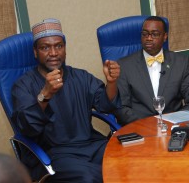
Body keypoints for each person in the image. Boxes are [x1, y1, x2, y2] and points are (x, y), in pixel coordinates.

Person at [11, 18, 121, 182]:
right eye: (45, 47)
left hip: (91, 144)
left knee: (128, 161)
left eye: (58, 46)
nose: (53, 53)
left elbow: (106, 105)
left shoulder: (81, 76)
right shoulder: (23, 85)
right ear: (35, 52)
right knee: (91, 177)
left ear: (65, 49)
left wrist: (111, 83)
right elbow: (26, 128)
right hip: (55, 152)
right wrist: (45, 95)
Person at [114, 16, 189, 126]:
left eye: (155, 34)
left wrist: (172, 122)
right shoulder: (124, 65)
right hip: (140, 129)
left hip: (174, 127)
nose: (149, 38)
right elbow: (121, 108)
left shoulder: (180, 62)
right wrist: (146, 125)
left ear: (165, 36)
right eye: (145, 34)